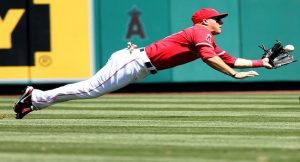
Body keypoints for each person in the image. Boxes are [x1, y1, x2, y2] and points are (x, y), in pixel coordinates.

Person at [13, 8, 272, 119]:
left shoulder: (207, 38)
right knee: (91, 89)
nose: (221, 22)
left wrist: (263, 62)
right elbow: (211, 60)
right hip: (135, 61)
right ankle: (35, 97)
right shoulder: (199, 32)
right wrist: (233, 75)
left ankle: (35, 100)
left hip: (138, 65)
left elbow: (230, 59)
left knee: (92, 90)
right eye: (218, 19)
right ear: (205, 22)